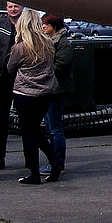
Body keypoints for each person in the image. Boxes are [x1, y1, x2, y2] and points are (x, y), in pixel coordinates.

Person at [7, 9, 60, 184]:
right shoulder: (48, 43)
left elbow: (10, 68)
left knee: (28, 133)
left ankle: (34, 172)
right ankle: (55, 161)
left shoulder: (20, 47)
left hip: (25, 94)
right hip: (46, 93)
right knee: (36, 130)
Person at [0, 1, 23, 169]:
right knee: (1, 119)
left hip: (24, 79)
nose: (13, 9)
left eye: (16, 6)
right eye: (10, 6)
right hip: (4, 79)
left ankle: (31, 159)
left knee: (27, 121)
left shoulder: (28, 25)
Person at [40, 14, 73, 176]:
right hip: (48, 89)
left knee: (55, 129)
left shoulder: (63, 43)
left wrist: (42, 71)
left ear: (55, 26)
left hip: (57, 90)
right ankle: (54, 161)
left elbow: (62, 65)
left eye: (46, 24)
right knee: (50, 127)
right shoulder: (48, 41)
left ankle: (57, 162)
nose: (43, 27)